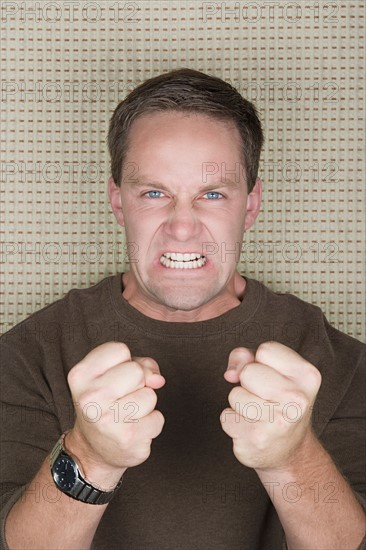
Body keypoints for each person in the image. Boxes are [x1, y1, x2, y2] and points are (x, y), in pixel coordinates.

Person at [0, 68, 365, 550]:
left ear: (251, 205)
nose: (183, 228)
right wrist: (91, 458)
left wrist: (291, 459)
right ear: (117, 201)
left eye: (212, 194)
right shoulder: (27, 355)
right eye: (154, 193)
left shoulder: (341, 363)